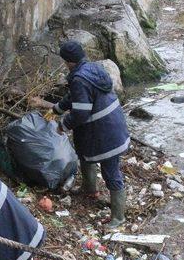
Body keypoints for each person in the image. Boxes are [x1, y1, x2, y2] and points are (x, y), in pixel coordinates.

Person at [30, 41, 130, 228]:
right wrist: (57, 109)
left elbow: (82, 112)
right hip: (112, 127)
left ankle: (118, 217)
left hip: (105, 134)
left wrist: (63, 125)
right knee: (85, 156)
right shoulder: (92, 69)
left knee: (111, 173)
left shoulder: (79, 79)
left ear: (68, 61)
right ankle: (89, 189)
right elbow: (75, 98)